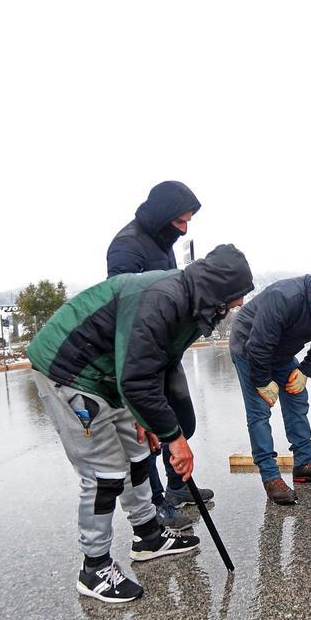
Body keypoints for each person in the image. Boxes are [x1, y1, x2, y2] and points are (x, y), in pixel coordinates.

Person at [28, 244, 254, 603]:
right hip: (71, 370)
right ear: (218, 288)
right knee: (104, 473)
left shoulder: (191, 305)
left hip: (113, 373)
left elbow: (155, 366)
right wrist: (174, 438)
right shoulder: (164, 299)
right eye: (236, 295)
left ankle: (147, 535)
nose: (239, 303)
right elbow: (136, 378)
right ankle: (94, 567)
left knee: (137, 453)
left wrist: (146, 416)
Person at [106, 180, 206, 530]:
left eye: (188, 222)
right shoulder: (126, 247)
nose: (184, 229)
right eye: (180, 222)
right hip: (140, 356)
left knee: (182, 422)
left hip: (165, 353)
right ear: (163, 217)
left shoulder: (163, 242)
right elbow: (123, 307)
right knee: (146, 431)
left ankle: (178, 488)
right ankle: (156, 501)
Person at [230, 263, 311, 505]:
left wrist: (306, 370)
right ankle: (270, 476)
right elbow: (259, 346)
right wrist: (262, 381)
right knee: (259, 411)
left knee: (297, 397)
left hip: (281, 351)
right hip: (250, 347)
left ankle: (304, 463)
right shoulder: (285, 298)